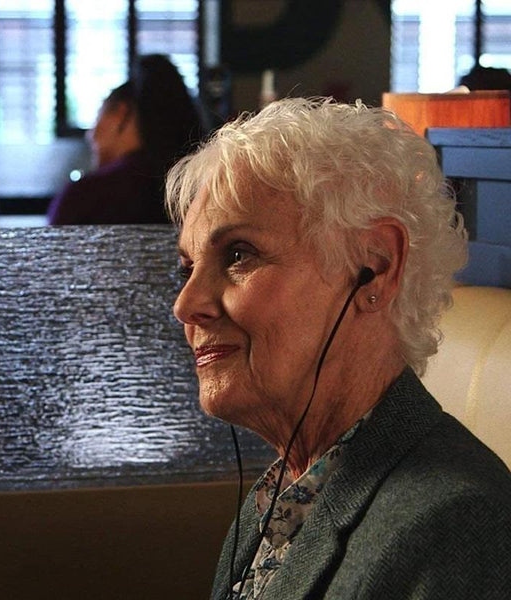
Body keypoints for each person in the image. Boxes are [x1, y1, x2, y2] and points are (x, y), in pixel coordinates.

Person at [165, 97, 511, 599]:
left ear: (377, 266)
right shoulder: (284, 494)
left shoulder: (457, 526)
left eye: (238, 254)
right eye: (187, 269)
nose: (185, 304)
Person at [48, 54, 204, 225]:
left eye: (98, 118)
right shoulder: (200, 191)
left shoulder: (85, 197)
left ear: (120, 114)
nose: (90, 134)